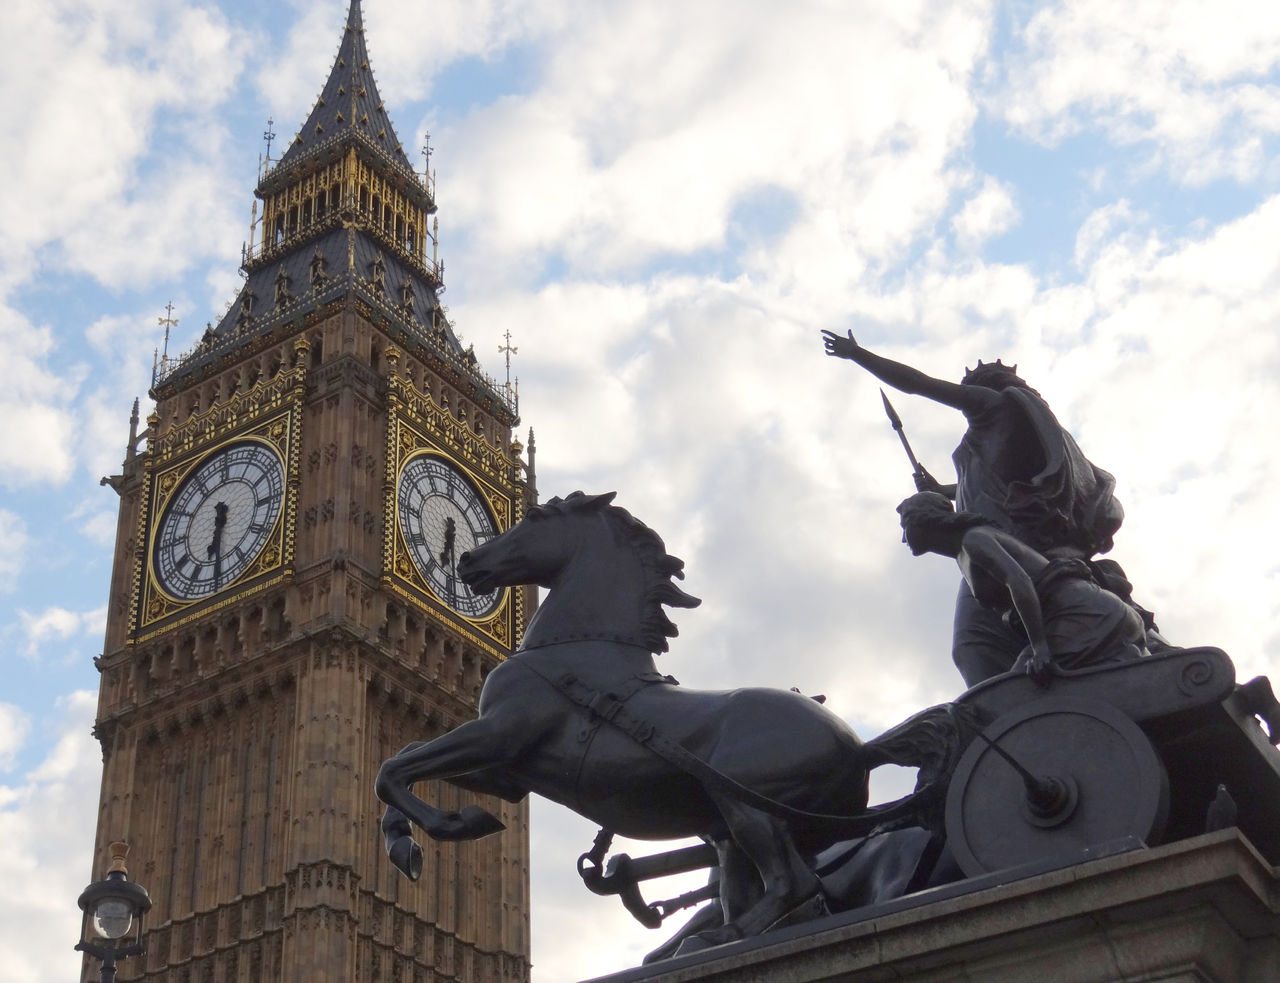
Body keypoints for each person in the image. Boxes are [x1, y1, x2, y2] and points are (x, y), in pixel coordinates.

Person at [822, 330, 1125, 686]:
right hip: (990, 542)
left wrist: (858, 354)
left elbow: (916, 383)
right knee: (976, 645)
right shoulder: (990, 436)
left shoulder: (990, 407)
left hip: (995, 543)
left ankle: (1006, 711)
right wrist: (940, 490)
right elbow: (990, 484)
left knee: (973, 644)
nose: (964, 396)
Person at [896, 492, 1147, 683]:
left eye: (905, 527)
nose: (904, 538)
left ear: (920, 521)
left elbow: (1020, 581)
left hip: (1087, 616)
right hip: (1073, 618)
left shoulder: (975, 540)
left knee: (1016, 689)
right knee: (1011, 687)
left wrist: (1040, 647)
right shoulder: (964, 553)